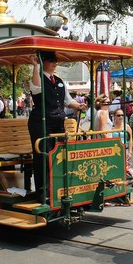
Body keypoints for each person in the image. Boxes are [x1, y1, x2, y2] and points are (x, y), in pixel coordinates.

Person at [28, 51, 87, 202]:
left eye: (55, 61)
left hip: (58, 122)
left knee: (59, 154)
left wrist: (78, 106)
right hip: (41, 122)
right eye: (51, 60)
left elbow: (68, 100)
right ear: (43, 62)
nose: (55, 63)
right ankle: (43, 192)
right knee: (43, 155)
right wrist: (35, 66)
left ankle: (58, 187)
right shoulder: (38, 77)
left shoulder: (59, 80)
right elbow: (36, 89)